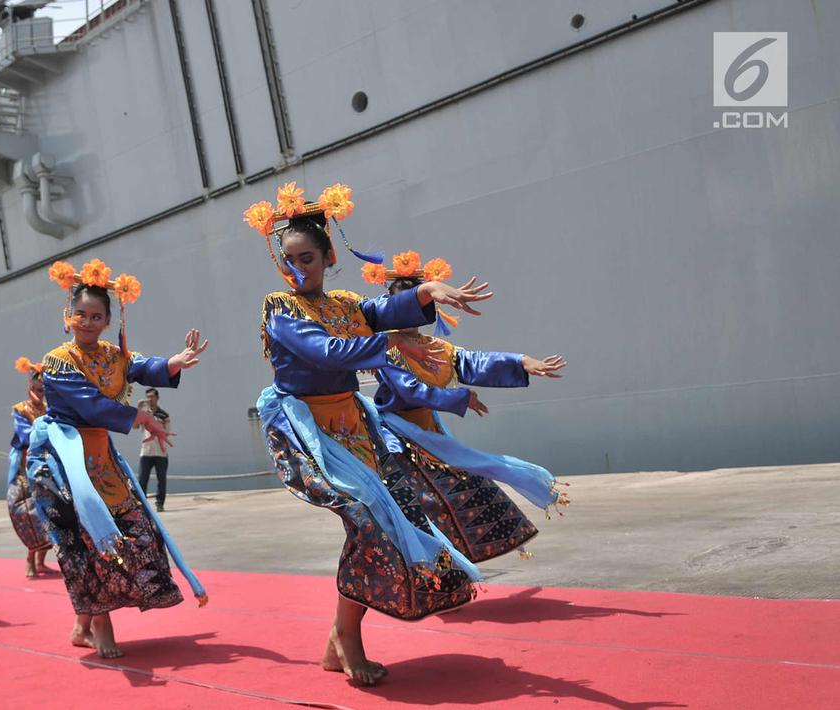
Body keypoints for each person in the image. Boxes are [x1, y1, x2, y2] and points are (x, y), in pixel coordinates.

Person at [242, 181, 493, 685]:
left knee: (394, 518)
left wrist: (426, 292)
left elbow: (379, 313)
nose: (297, 270)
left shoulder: (343, 302)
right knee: (367, 521)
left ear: (329, 256)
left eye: (308, 258)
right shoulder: (281, 307)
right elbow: (327, 353)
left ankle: (338, 638)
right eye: (288, 262)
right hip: (307, 432)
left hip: (355, 428)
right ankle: (348, 638)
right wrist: (393, 342)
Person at [28, 259, 208, 659]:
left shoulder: (113, 354)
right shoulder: (58, 359)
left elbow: (139, 365)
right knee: (87, 541)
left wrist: (172, 364)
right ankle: (102, 623)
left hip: (102, 460)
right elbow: (87, 404)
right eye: (81, 314)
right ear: (67, 316)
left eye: (97, 316)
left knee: (136, 532)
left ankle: (82, 624)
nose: (88, 322)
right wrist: (138, 416)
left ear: (109, 321)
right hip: (63, 461)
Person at [364, 255, 569, 564]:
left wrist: (522, 362)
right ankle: (423, 563)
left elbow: (472, 362)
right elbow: (410, 389)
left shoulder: (437, 348)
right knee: (417, 503)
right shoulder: (387, 350)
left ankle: (455, 562)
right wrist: (459, 399)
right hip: (397, 440)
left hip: (429, 435)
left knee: (472, 485)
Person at [8, 356, 56, 578]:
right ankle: (30, 560)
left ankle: (41, 561)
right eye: (35, 389)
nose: (38, 393)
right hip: (25, 468)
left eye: (42, 390)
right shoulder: (20, 409)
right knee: (27, 513)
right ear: (29, 387)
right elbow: (24, 434)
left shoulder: (50, 410)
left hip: (46, 465)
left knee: (47, 511)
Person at [134, 387, 171, 511]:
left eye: (152, 396)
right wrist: (138, 409)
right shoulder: (143, 414)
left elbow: (167, 432)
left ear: (157, 397)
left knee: (161, 479)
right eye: (148, 397)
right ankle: (142, 506)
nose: (150, 399)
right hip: (146, 452)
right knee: (142, 480)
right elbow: (134, 426)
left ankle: (160, 503)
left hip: (161, 453)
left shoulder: (164, 415)